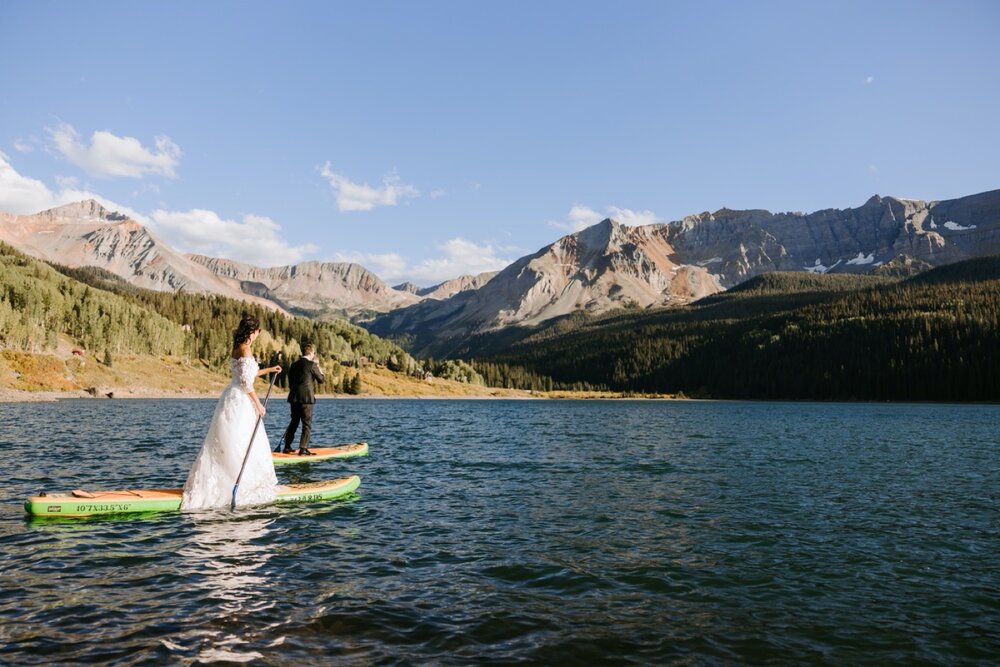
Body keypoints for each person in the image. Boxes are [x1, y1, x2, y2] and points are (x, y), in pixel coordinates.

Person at [181, 314, 283, 510]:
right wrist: (258, 404)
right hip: (241, 400)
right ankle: (239, 486)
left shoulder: (239, 348)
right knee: (239, 441)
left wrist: (269, 369)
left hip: (231, 396)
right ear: (252, 332)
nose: (257, 335)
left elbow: (248, 373)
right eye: (257, 332)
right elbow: (246, 382)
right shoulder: (245, 349)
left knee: (232, 441)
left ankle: (232, 481)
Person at [279, 342, 325, 456]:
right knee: (306, 424)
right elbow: (321, 379)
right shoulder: (312, 364)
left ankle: (287, 447)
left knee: (294, 422)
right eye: (314, 353)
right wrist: (319, 367)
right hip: (306, 398)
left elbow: (290, 382)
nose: (314, 355)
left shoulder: (293, 365)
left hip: (294, 397)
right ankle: (303, 448)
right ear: (311, 353)